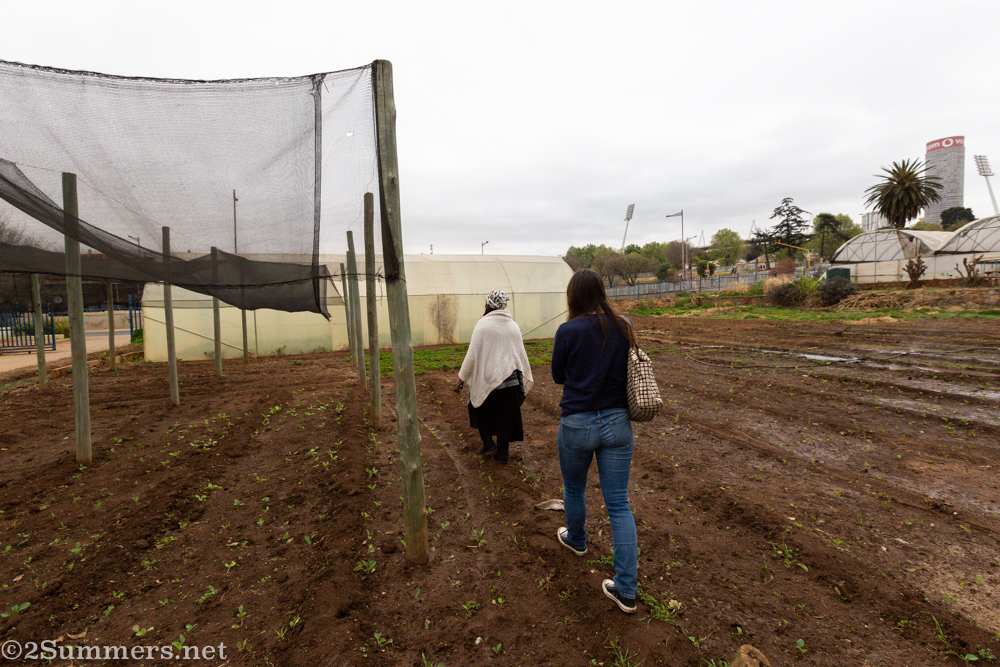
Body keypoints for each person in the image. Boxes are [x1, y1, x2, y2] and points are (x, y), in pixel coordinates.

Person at [550, 268, 639, 614]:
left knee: (574, 488)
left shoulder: (567, 330)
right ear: (601, 291)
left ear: (574, 296)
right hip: (617, 423)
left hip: (577, 423)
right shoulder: (624, 325)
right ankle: (627, 590)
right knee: (618, 504)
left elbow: (558, 375)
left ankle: (577, 540)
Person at [457, 290, 533, 464]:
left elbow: (472, 356)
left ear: (488, 305)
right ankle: (503, 455)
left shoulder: (482, 325)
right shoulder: (513, 325)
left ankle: (488, 442)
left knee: (476, 405)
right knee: (505, 417)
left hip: (489, 381)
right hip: (512, 381)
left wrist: (461, 379)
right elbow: (520, 356)